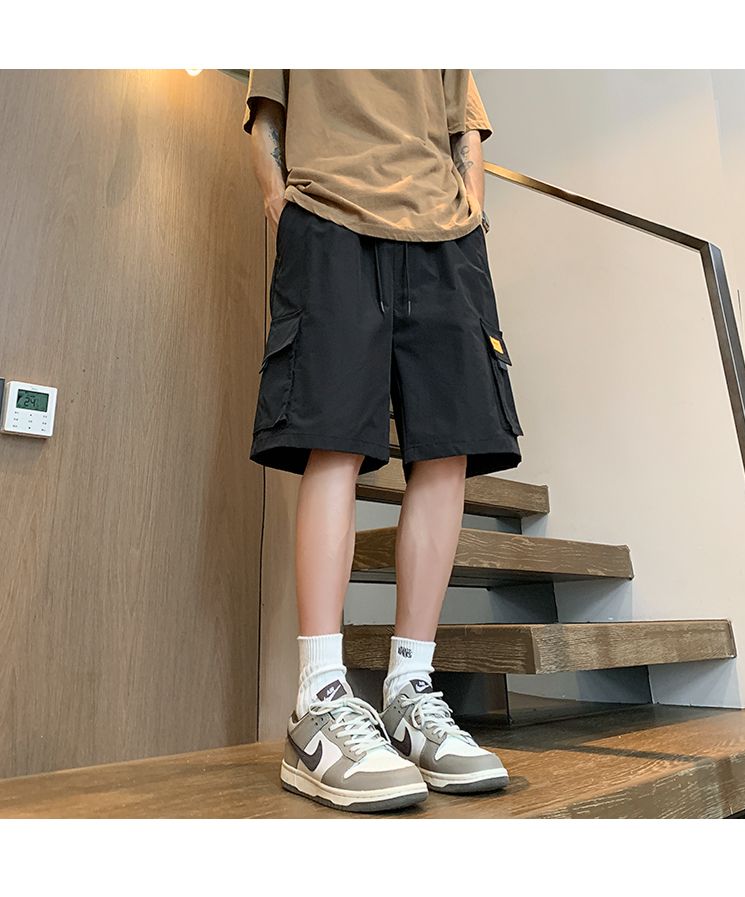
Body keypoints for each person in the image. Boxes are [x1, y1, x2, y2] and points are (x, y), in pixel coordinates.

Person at [243, 69, 523, 813]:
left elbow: (464, 125)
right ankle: (319, 698)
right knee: (332, 441)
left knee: (449, 449)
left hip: (445, 234)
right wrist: (279, 199)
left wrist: (471, 209)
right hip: (329, 214)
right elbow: (265, 114)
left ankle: (409, 690)